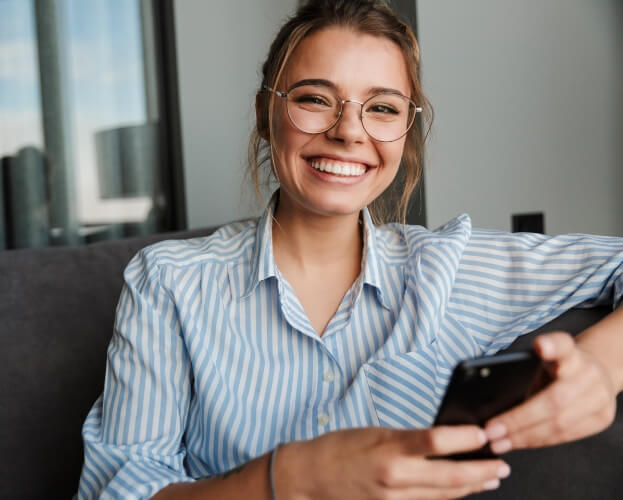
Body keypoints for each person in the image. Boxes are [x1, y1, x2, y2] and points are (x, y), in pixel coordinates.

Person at [77, 1, 623, 499]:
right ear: (268, 116)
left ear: (406, 133)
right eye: (316, 99)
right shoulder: (168, 281)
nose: (348, 131)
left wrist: (598, 366)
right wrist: (289, 478)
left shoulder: (447, 268)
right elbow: (116, 492)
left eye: (382, 108)